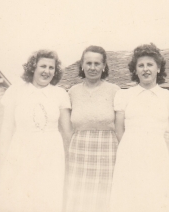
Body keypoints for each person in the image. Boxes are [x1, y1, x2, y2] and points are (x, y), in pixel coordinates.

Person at [110, 43, 169, 212]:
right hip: (129, 153)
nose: (145, 69)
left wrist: (158, 148)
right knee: (129, 196)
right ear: (135, 70)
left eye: (150, 64)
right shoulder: (125, 95)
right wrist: (131, 146)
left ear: (158, 68)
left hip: (157, 154)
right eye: (141, 65)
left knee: (155, 196)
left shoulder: (168, 98)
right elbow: (119, 129)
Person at [0, 50, 71, 212]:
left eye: (51, 68)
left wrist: (66, 159)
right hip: (21, 152)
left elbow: (67, 132)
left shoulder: (60, 94)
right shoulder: (15, 91)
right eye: (43, 66)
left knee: (47, 197)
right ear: (33, 68)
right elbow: (7, 129)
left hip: (51, 155)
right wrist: (3, 159)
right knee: (19, 197)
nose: (47, 71)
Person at [66, 45, 120, 212]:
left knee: (104, 197)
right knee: (79, 197)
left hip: (107, 151)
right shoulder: (72, 92)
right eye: (88, 63)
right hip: (79, 150)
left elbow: (120, 127)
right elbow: (67, 127)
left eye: (97, 64)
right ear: (82, 65)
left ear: (104, 66)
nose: (92, 67)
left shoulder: (115, 91)